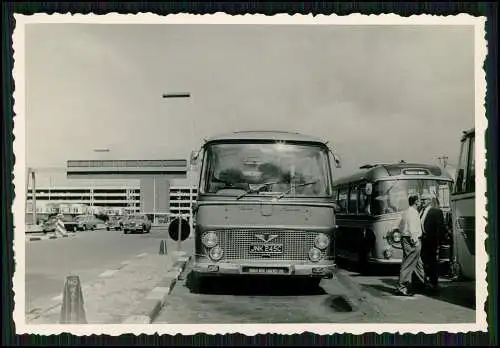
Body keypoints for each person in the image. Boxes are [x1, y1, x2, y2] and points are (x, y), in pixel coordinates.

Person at [396, 194, 427, 296]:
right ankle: (401, 287)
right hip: (412, 240)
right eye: (419, 200)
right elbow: (412, 228)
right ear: (416, 202)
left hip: (406, 239)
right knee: (408, 263)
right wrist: (415, 241)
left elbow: (400, 227)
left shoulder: (406, 212)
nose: (421, 202)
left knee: (418, 263)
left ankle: (421, 283)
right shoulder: (413, 213)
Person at [420, 193, 446, 292]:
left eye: (425, 199)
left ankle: (433, 283)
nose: (422, 201)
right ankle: (424, 281)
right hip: (422, 240)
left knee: (432, 262)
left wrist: (439, 241)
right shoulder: (421, 211)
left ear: (430, 200)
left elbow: (440, 227)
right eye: (422, 199)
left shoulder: (436, 211)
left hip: (431, 241)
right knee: (424, 262)